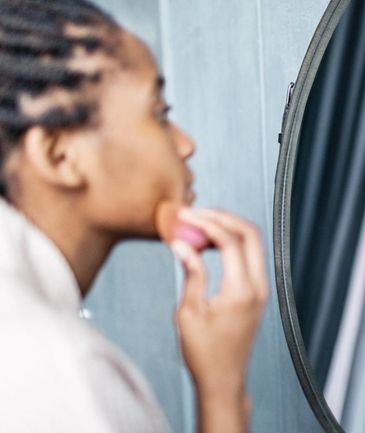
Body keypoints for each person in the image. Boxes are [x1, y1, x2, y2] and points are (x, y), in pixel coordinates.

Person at [0, 1, 267, 432]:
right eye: (159, 114)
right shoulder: (60, 371)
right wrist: (223, 388)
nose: (186, 145)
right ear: (59, 155)